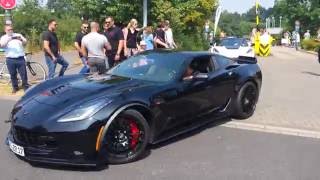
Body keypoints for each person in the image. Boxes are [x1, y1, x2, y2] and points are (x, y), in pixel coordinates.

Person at [0, 25, 29, 93]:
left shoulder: (18, 35)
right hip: (10, 59)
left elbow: (25, 42)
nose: (10, 31)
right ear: (5, 30)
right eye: (8, 30)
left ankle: (25, 86)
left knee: (23, 74)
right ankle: (15, 87)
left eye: (11, 29)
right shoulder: (4, 37)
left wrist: (21, 39)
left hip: (20, 58)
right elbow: (1, 45)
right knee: (13, 74)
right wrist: (8, 40)